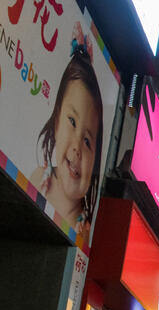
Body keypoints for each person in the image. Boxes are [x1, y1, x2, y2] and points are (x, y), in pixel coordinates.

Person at [30, 25, 105, 238]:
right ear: (56, 121)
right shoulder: (38, 178)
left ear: (97, 162)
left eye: (88, 141)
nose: (77, 148)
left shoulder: (84, 229)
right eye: (72, 121)